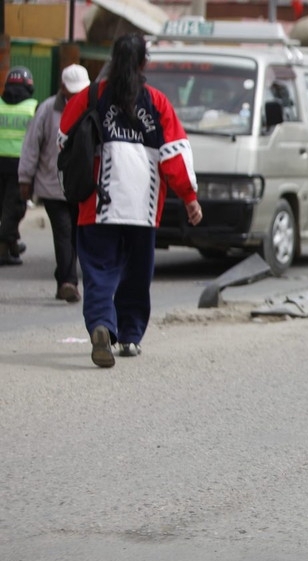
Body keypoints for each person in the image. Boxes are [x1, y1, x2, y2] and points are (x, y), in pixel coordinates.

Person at [59, 33, 202, 368]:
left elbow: (63, 137)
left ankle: (100, 325)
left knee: (99, 270)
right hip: (143, 205)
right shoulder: (157, 102)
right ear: (143, 63)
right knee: (136, 274)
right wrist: (189, 197)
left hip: (97, 203)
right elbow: (174, 154)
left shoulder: (91, 96)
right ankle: (130, 336)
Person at [17, 64, 91, 302]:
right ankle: (69, 282)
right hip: (52, 186)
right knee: (63, 232)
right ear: (63, 89)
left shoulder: (92, 108)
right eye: (73, 91)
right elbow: (31, 146)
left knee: (76, 235)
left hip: (80, 186)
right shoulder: (47, 110)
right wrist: (25, 178)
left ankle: (63, 277)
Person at [0, 66, 38, 265]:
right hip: (20, 165)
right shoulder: (33, 107)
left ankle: (12, 243)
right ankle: (4, 249)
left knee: (5, 207)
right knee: (14, 208)